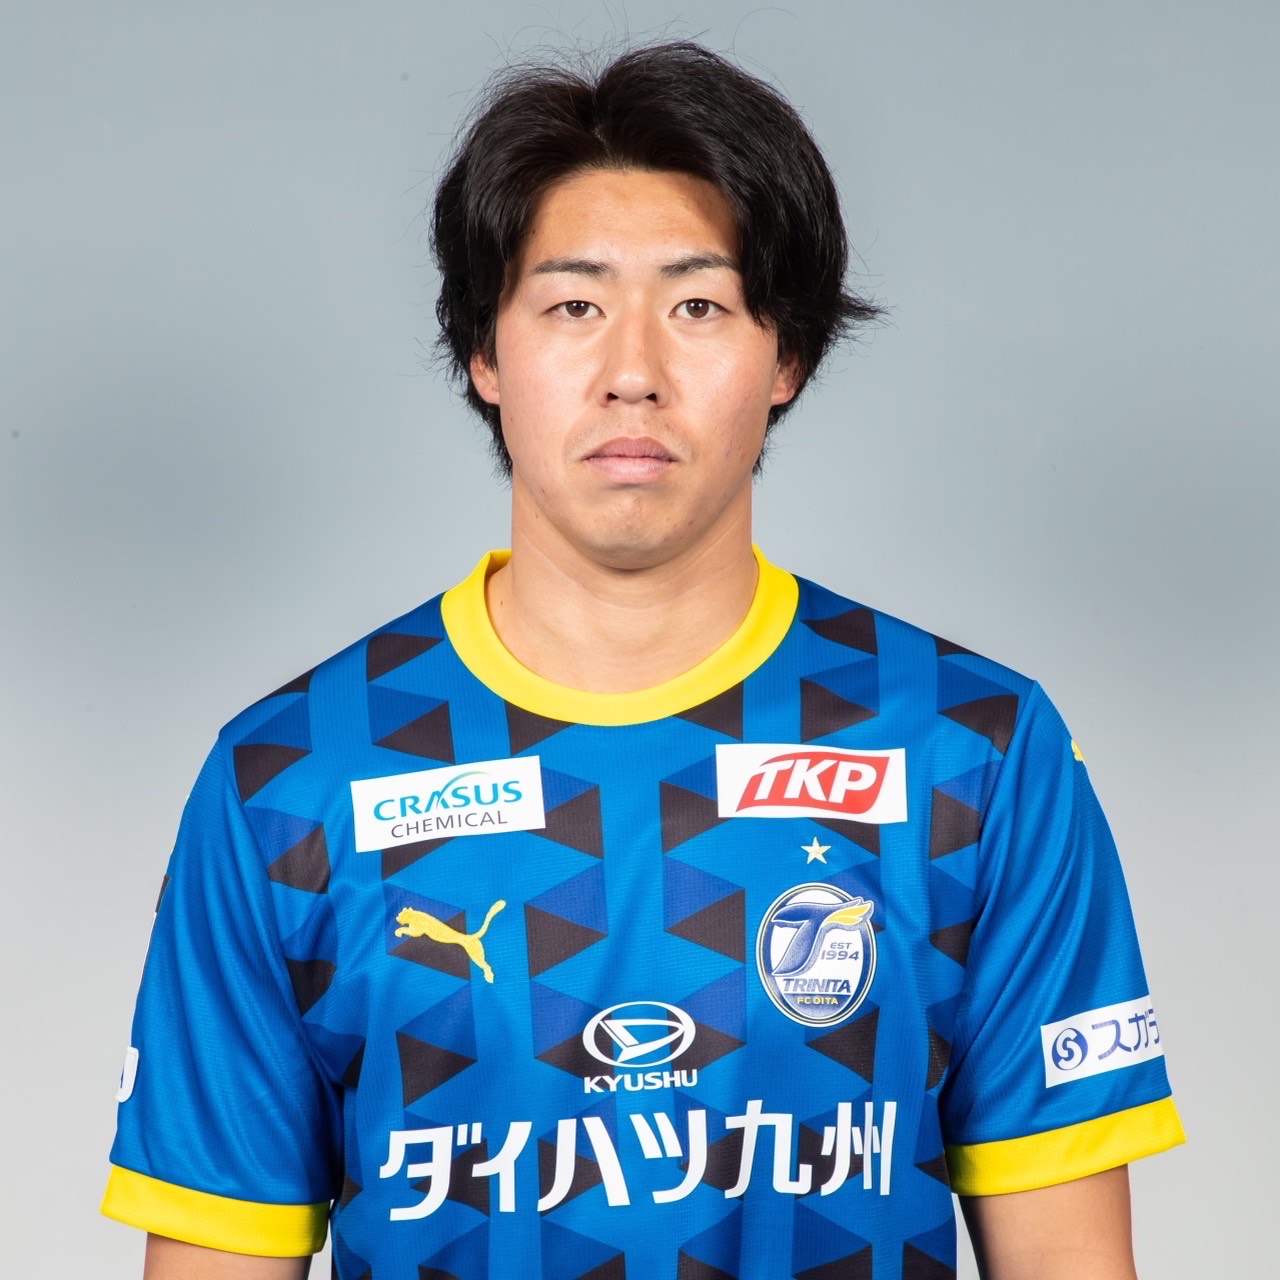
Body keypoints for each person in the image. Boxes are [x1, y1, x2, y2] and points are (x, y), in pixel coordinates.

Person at [102, 41, 1184, 1280]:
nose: (632, 374)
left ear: (786, 357)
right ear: (484, 352)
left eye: (697, 306)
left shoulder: (968, 751)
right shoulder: (290, 780)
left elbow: (1065, 1258)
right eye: (572, 306)